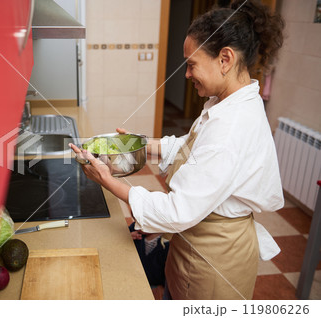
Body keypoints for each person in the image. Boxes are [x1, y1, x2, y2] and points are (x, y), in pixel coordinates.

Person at [70, 0, 285, 300]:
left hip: (213, 261)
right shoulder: (224, 105)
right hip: (197, 244)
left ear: (225, 59)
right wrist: (141, 144)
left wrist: (108, 180)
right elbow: (190, 147)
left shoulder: (233, 127)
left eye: (192, 64)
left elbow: (176, 211)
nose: (187, 74)